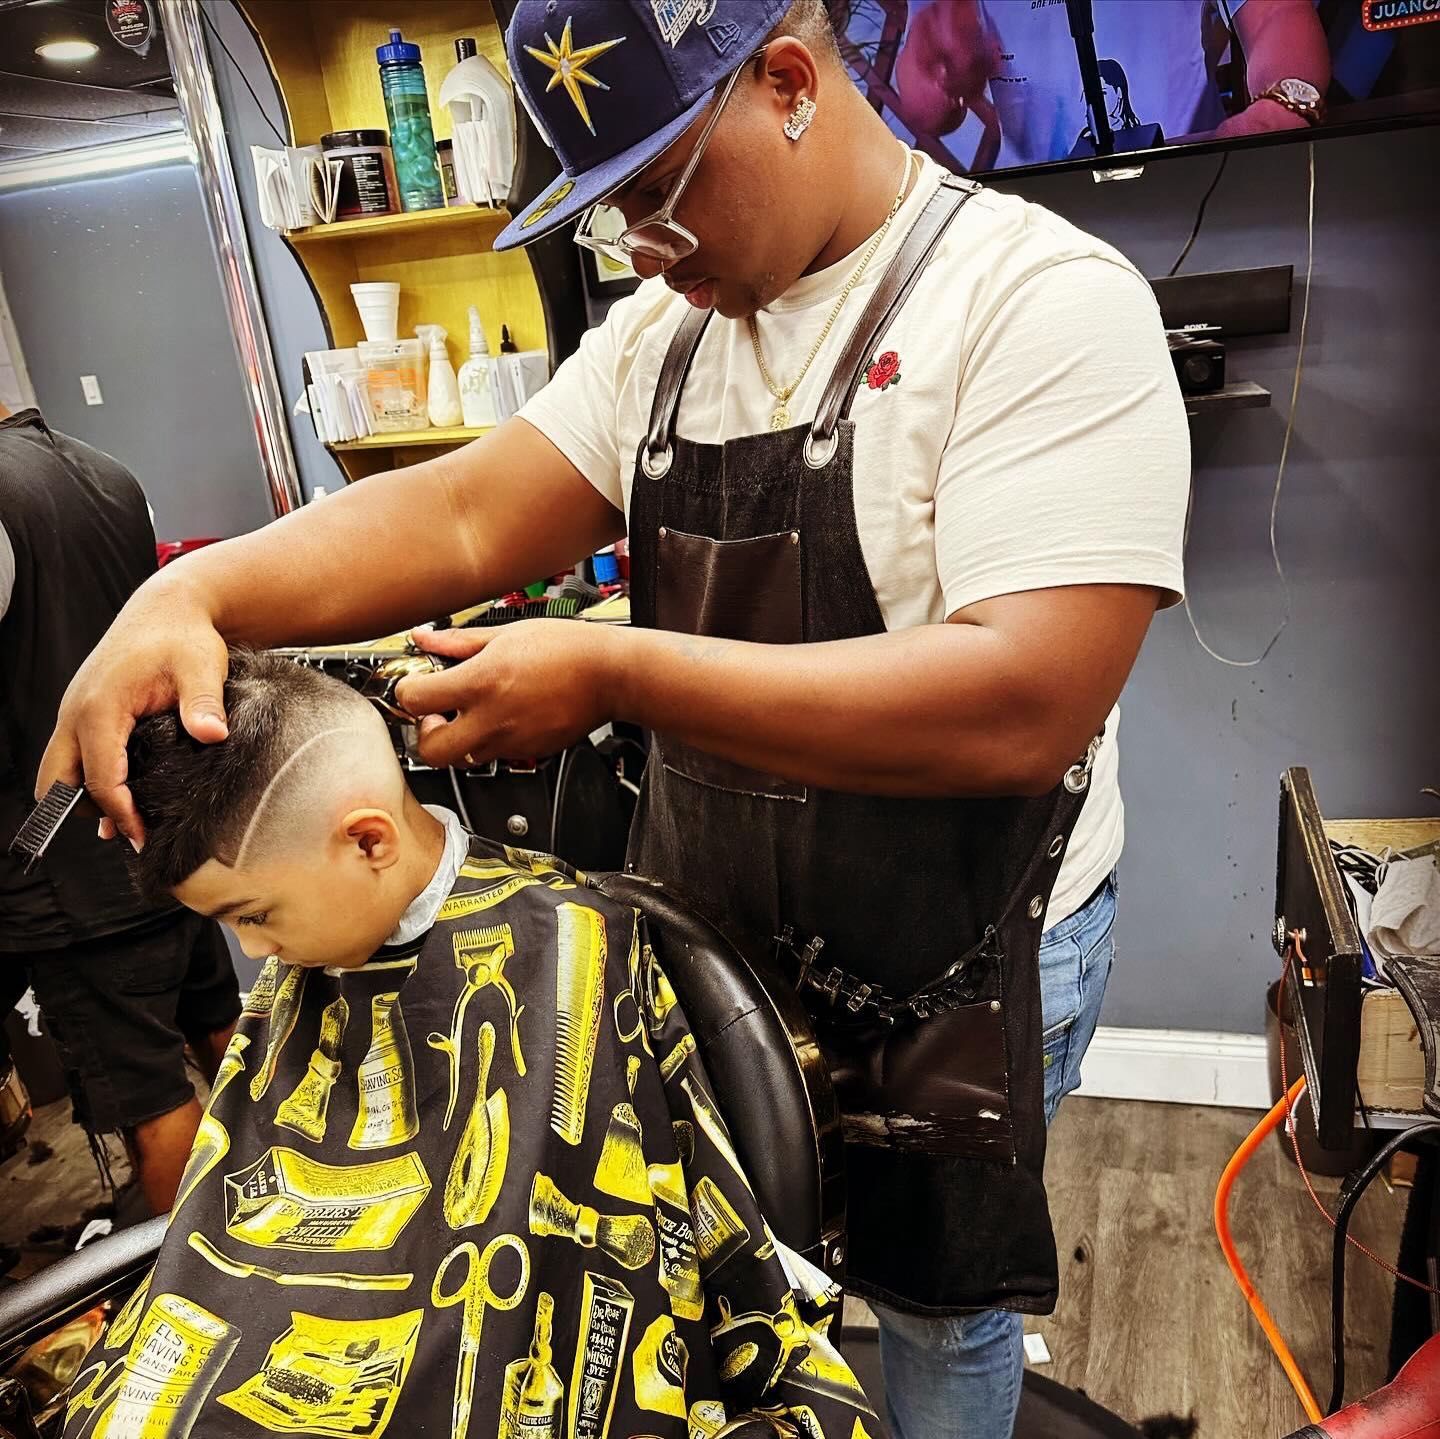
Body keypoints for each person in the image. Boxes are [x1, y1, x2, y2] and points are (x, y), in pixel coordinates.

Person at [42, 1, 1190, 1434]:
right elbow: (464, 508)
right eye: (614, 211)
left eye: (660, 192)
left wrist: (614, 668)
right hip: (725, 910)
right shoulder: (666, 336)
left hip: (953, 940)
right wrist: (196, 596)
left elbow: (1024, 697)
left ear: (786, 81)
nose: (641, 247)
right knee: (740, 1243)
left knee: (931, 1293)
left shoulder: (1036, 304)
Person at [61, 647, 873, 1439]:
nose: (257, 952)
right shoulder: (314, 947)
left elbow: (570, 1247)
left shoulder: (570, 943)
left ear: (369, 840)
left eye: (254, 915)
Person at [0, 402, 240, 1214]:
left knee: (149, 1097)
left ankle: (193, 1298)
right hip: (158, 831)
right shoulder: (107, 474)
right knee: (226, 1038)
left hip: (67, 878)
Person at [893, 0, 1332, 172]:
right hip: (1038, 223)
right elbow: (926, 108)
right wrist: (941, 77)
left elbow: (1278, 15)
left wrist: (1281, 105)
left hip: (1191, 187)